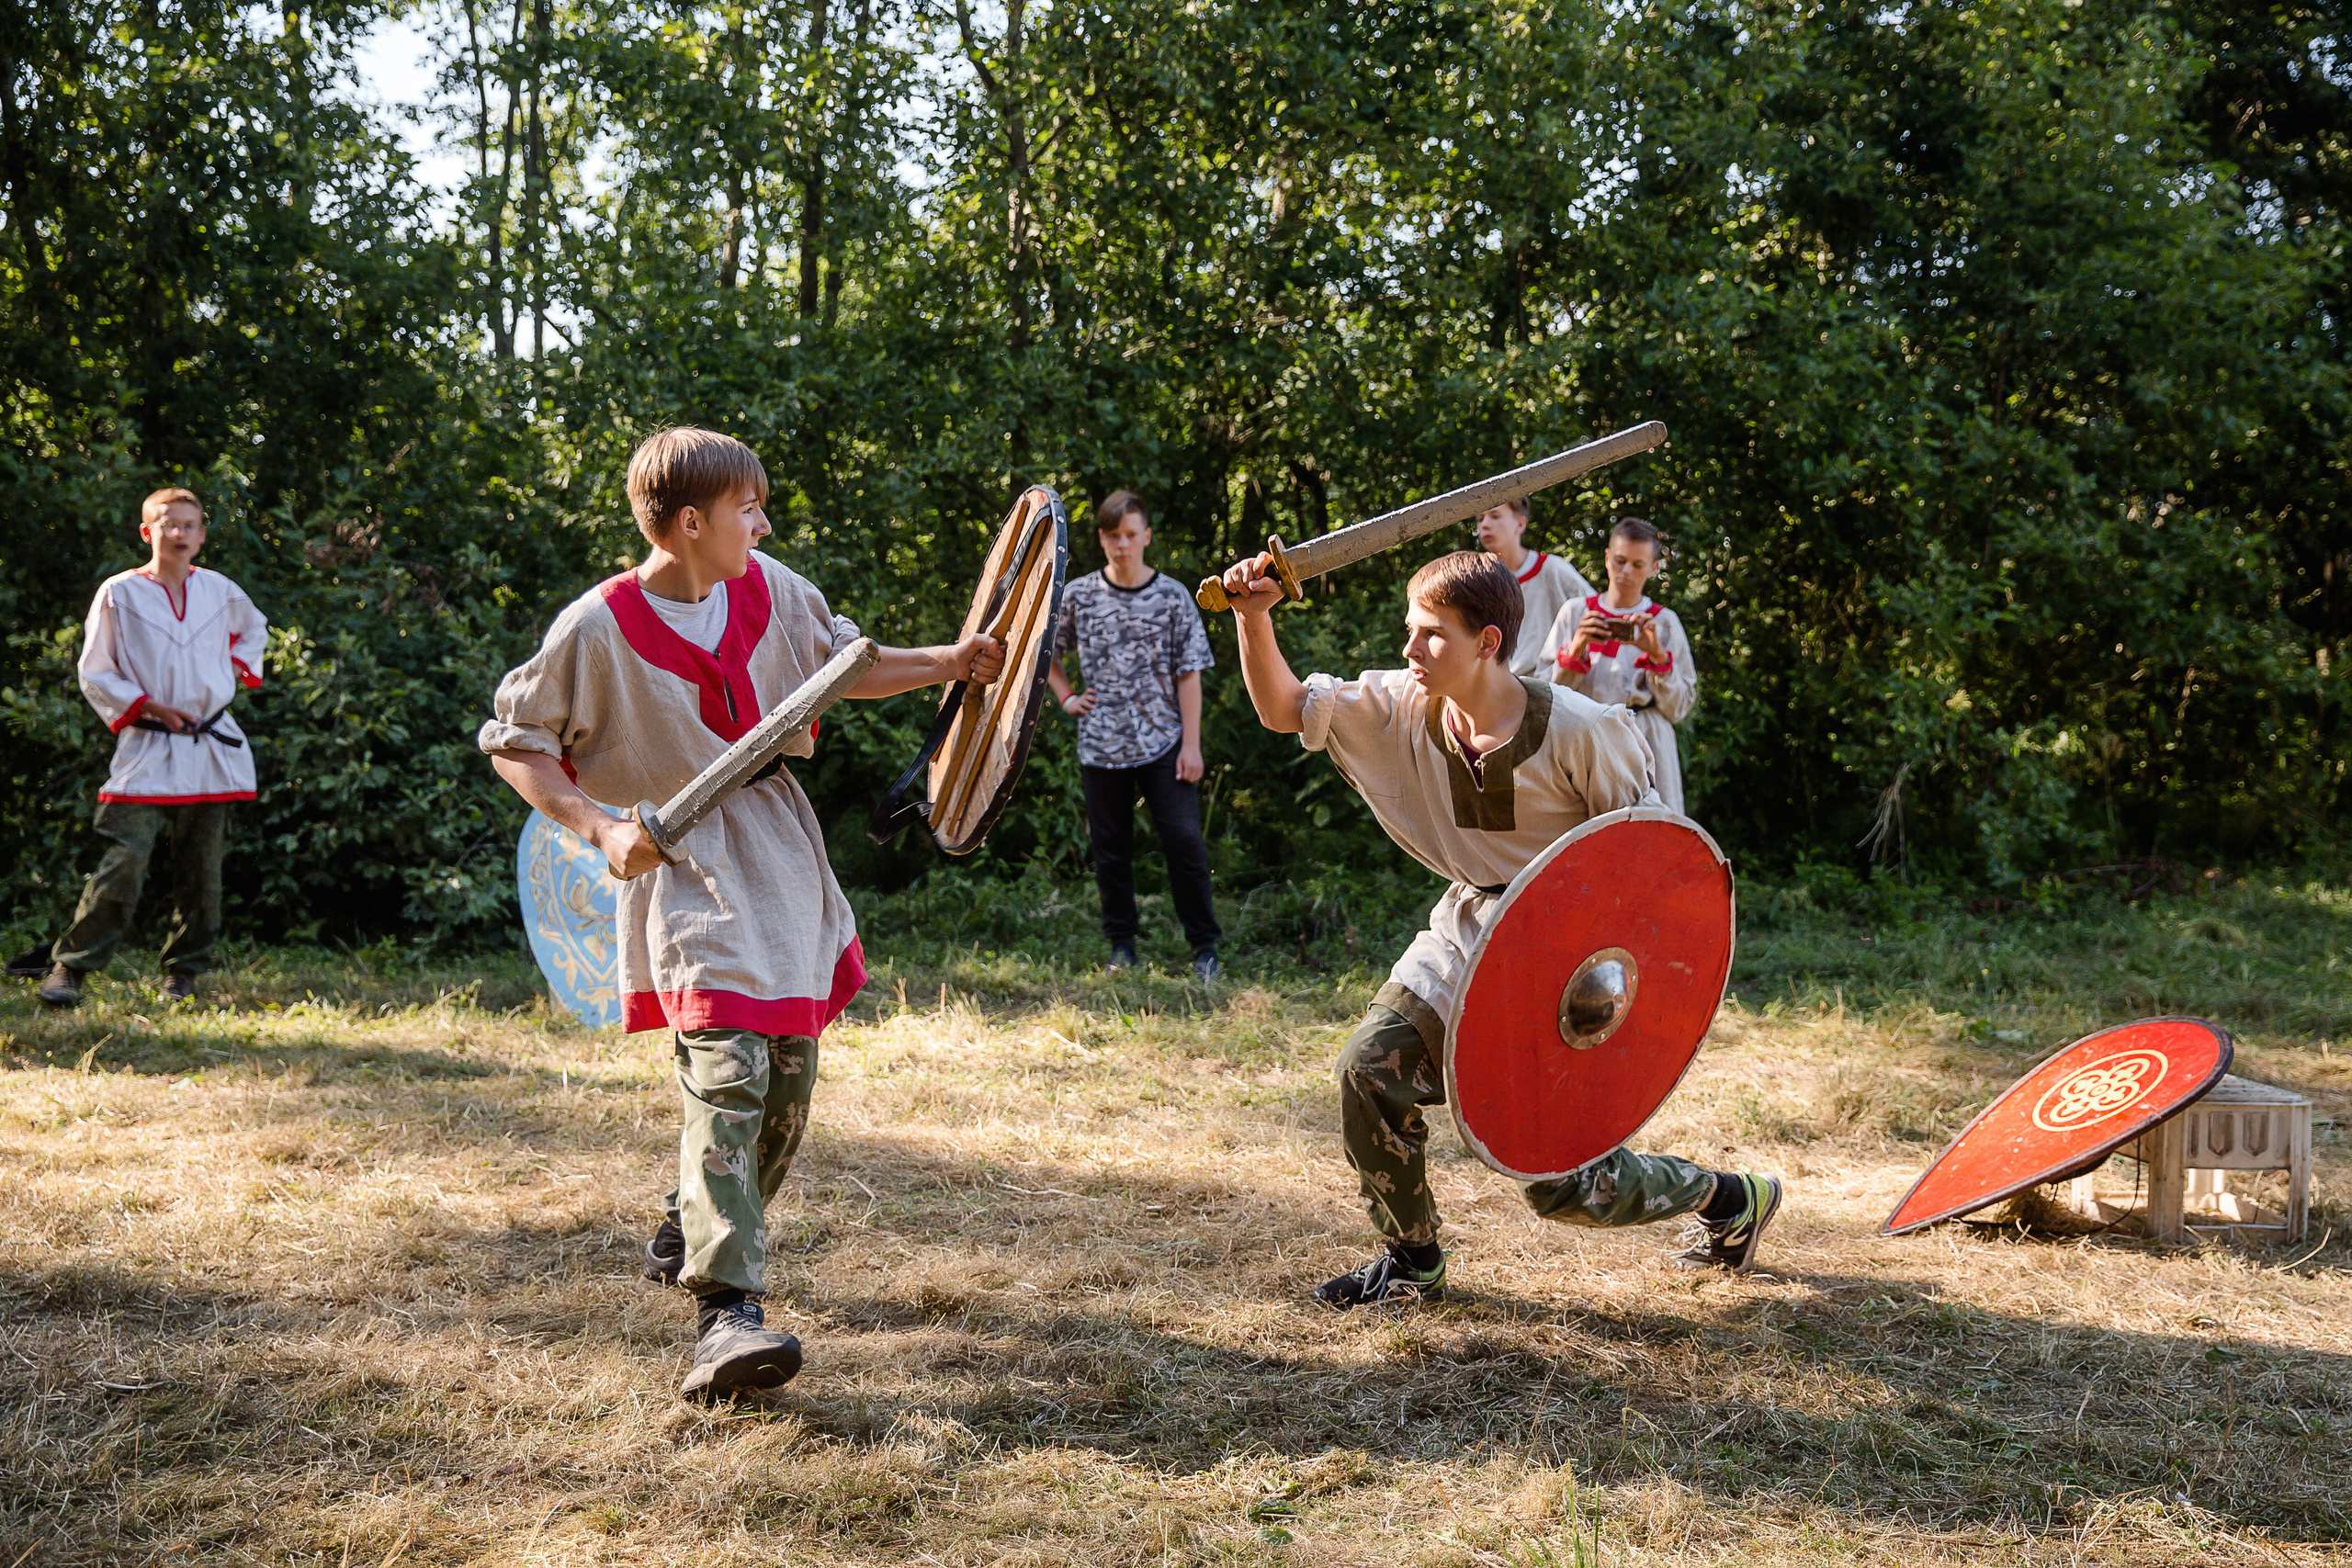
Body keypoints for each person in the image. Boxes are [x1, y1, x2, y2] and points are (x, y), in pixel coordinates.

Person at [479, 427, 1003, 1402]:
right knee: (728, 1071)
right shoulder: (596, 628)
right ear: (689, 524)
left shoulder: (774, 590)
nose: (761, 524)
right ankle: (726, 1315)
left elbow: (849, 665)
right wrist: (597, 829)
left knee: (785, 1091)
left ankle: (691, 1218)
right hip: (680, 868)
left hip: (776, 855)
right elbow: (516, 741)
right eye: (747, 510)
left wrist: (952, 663)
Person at [1215, 546, 1781, 1307]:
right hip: (1471, 922)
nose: (1410, 649)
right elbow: (1284, 707)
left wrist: (1612, 995)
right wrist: (1253, 617)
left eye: (1432, 634)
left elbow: (1648, 868)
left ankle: (1729, 1197)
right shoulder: (1401, 705)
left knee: (1563, 1186)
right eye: (1409, 629)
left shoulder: (1583, 731)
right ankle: (1412, 1259)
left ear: (1488, 642)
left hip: (1569, 954)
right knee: (1368, 1067)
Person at [36, 488, 267, 1009]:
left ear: (202, 534)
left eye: (190, 525)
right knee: (125, 859)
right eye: (169, 525)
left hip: (210, 750)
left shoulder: (221, 591)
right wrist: (151, 707)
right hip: (148, 746)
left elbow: (254, 631)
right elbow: (95, 668)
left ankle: (182, 973)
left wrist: (230, 670)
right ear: (149, 532)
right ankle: (70, 968)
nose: (180, 534)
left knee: (202, 871)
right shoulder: (120, 592)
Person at [1048, 489, 1223, 979]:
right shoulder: (1079, 595)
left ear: (1146, 536)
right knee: (1110, 848)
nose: (1122, 544)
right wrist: (1066, 697)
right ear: (1101, 539)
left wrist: (1192, 745)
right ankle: (1121, 946)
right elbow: (1048, 656)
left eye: (1130, 535)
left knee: (1185, 841)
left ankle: (1205, 947)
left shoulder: (1172, 596)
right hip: (1102, 746)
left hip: (1165, 743)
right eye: (1112, 535)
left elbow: (1189, 673)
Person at [1545, 517, 1697, 813]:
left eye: (1638, 564)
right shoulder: (1575, 612)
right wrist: (1576, 648)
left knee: (1654, 830)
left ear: (1654, 568)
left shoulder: (1663, 622)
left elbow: (1678, 708)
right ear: (1606, 558)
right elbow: (1546, 698)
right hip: (1586, 735)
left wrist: (1657, 657)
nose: (1626, 571)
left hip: (1647, 735)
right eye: (1619, 560)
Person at [1476, 496, 1594, 679]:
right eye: (1480, 518)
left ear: (1520, 524)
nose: (1485, 524)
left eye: (1495, 516)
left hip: (1550, 686)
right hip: (1495, 689)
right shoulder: (1477, 582)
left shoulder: (1553, 570)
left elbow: (1597, 614)